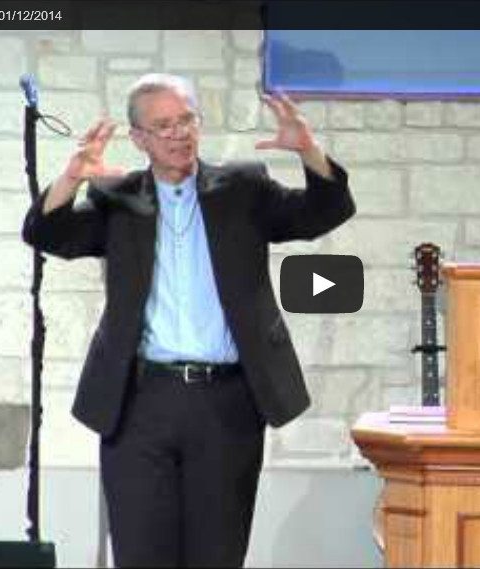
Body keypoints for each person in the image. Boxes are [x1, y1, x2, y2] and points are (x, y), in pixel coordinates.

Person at [21, 73, 355, 567]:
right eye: (163, 125)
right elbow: (48, 233)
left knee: (216, 555)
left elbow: (323, 212)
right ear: (139, 139)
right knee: (141, 554)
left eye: (186, 120)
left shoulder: (243, 189)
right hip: (139, 403)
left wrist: (308, 150)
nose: (179, 134)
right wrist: (72, 177)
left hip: (227, 403)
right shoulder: (118, 199)